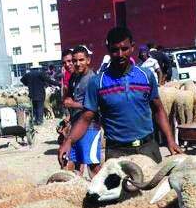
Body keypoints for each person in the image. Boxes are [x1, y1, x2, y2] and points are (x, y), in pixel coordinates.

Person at [59, 26, 181, 165]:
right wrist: (68, 141)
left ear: (132, 47)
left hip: (147, 148)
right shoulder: (97, 82)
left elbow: (158, 109)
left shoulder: (146, 76)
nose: (120, 54)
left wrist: (170, 141)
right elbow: (86, 118)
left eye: (125, 48)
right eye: (115, 50)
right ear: (108, 49)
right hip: (117, 152)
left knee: (153, 185)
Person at [62, 46, 102, 176]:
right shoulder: (74, 77)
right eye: (75, 61)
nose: (77, 64)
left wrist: (73, 104)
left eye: (81, 60)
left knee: (93, 166)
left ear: (88, 60)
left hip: (90, 127)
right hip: (75, 126)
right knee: (70, 161)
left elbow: (96, 107)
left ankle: (101, 192)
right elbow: (71, 96)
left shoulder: (92, 79)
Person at [19, 64, 52, 128]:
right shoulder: (40, 74)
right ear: (38, 68)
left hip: (32, 94)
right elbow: (48, 80)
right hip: (40, 93)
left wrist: (27, 83)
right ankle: (39, 121)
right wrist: (57, 84)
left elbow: (21, 80)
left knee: (34, 107)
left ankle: (35, 120)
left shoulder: (28, 74)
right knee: (40, 107)